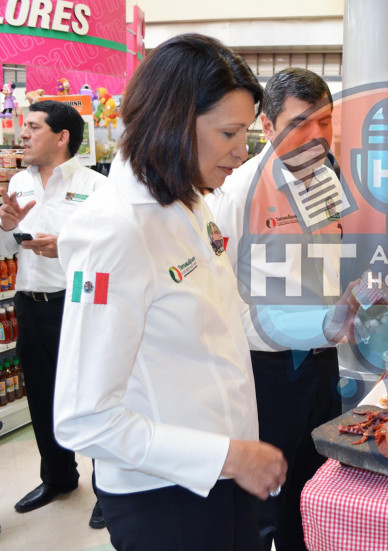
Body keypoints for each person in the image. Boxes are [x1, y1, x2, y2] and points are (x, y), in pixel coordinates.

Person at [52, 34, 287, 550]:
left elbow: (216, 328)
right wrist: (229, 456)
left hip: (227, 478)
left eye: (245, 132)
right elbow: (83, 419)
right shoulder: (116, 230)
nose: (240, 150)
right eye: (229, 132)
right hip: (166, 497)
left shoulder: (190, 202)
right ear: (175, 121)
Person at [206, 67, 354, 551]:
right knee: (264, 502)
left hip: (321, 363)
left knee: (313, 491)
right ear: (267, 127)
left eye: (325, 121)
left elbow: (330, 260)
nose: (315, 137)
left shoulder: (327, 178)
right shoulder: (238, 192)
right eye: (299, 124)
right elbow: (223, 300)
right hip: (267, 372)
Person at [0, 100, 107, 528]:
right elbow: (8, 253)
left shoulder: (96, 187)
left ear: (62, 137)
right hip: (29, 304)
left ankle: (109, 489)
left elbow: (110, 252)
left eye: (33, 127)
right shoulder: (18, 183)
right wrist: (6, 229)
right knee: (42, 397)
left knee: (93, 398)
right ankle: (58, 477)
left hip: (77, 303)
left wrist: (66, 246)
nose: (23, 135)